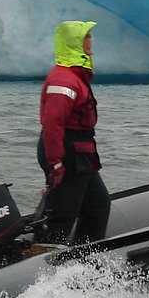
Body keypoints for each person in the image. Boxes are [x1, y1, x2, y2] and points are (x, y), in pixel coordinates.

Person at [34, 20, 110, 245]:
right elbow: (53, 123)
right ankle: (43, 265)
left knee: (98, 206)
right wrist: (56, 163)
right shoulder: (63, 79)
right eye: (87, 36)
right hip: (67, 151)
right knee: (62, 215)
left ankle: (84, 262)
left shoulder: (76, 76)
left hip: (81, 153)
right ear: (75, 43)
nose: (91, 40)